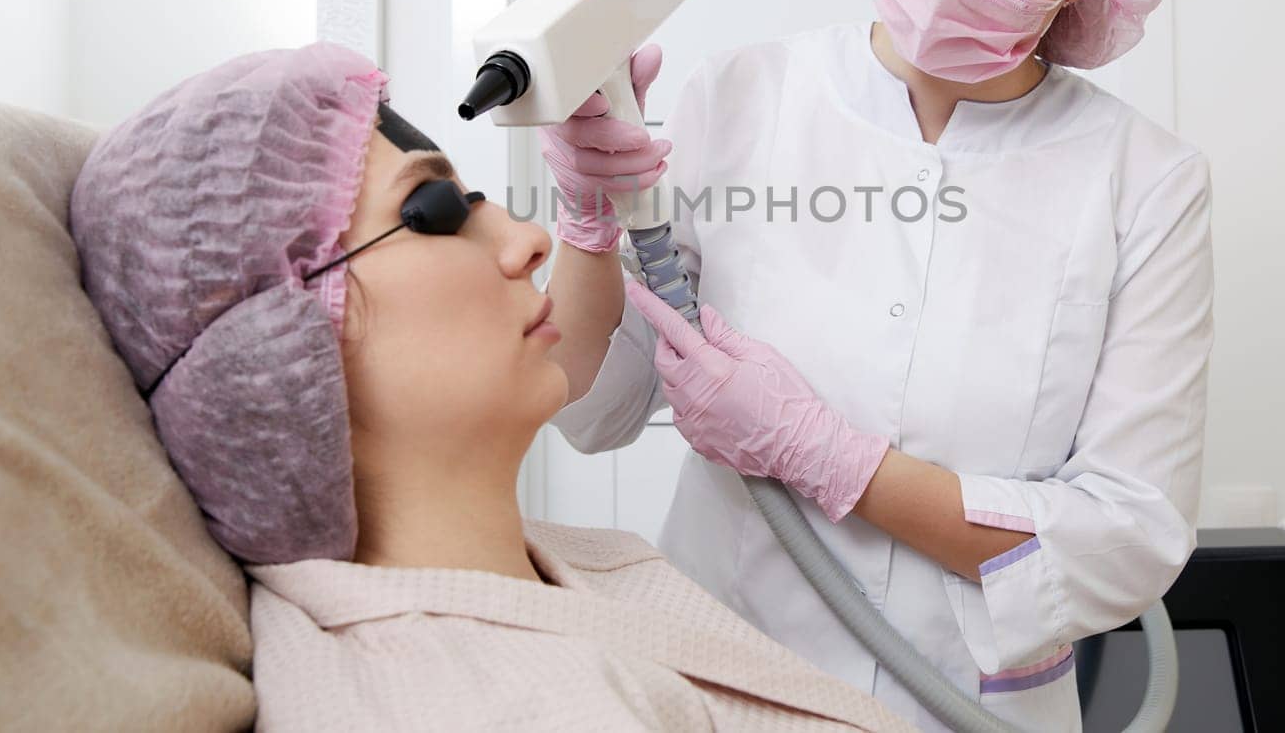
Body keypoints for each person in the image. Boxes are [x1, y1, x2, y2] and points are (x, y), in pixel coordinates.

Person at [541, 0, 1211, 732]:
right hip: (722, 687)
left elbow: (1125, 540)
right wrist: (589, 225)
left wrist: (828, 456)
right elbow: (592, 404)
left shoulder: (1144, 181)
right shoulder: (744, 94)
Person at [68, 42, 917, 732]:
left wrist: (597, 216)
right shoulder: (439, 705)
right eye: (433, 209)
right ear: (273, 345)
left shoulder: (562, 573)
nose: (525, 237)